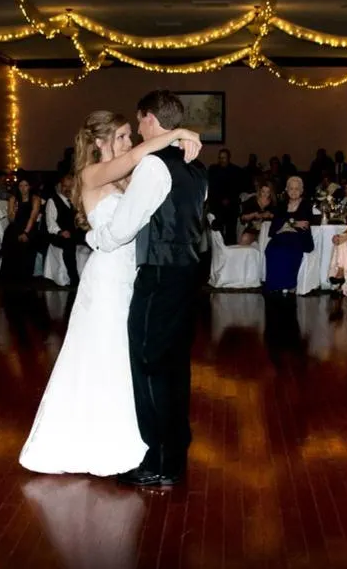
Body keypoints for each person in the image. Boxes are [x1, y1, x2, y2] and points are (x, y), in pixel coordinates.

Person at [19, 108, 202, 477]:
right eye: (120, 136)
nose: (129, 142)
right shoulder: (92, 174)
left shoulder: (126, 177)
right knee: (106, 354)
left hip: (132, 276)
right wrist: (178, 132)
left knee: (130, 358)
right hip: (106, 281)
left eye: (128, 135)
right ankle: (102, 441)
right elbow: (140, 157)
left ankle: (136, 439)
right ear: (99, 142)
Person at [84, 92, 207, 488]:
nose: (137, 131)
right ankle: (177, 445)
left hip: (159, 276)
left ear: (151, 119)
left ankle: (160, 461)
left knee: (151, 365)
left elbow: (123, 227)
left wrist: (95, 240)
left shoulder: (154, 166)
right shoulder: (196, 167)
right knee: (175, 365)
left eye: (139, 123)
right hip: (189, 273)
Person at [45, 172, 84, 286]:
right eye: (65, 186)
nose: (67, 189)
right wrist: (60, 232)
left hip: (73, 233)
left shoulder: (74, 201)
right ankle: (74, 279)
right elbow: (50, 222)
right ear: (60, 186)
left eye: (70, 186)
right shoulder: (53, 201)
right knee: (69, 245)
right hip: (57, 234)